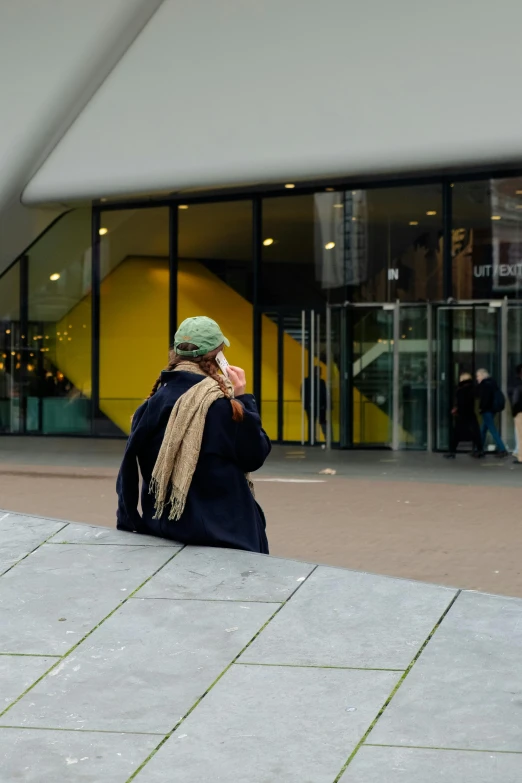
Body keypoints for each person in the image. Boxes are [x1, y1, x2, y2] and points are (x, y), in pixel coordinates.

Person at [116, 316, 270, 553]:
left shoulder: (150, 405)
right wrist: (243, 399)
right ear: (219, 356)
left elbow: (126, 472)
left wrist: (131, 522)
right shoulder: (223, 408)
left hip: (165, 530)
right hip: (227, 538)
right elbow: (255, 455)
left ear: (175, 353)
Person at [444, 372, 483, 458]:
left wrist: (456, 410)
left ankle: (452, 451)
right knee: (475, 433)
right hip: (471, 413)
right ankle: (480, 450)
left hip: (462, 415)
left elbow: (461, 403)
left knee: (456, 434)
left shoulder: (461, 390)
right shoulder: (473, 389)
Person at [476, 368, 507, 457]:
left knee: (492, 430)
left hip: (487, 410)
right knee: (483, 429)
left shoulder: (485, 384)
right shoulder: (492, 383)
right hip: (492, 410)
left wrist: (481, 408)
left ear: (482, 375)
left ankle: (502, 449)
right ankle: (479, 449)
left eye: (478, 376)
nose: (477, 378)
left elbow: (485, 399)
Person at [301, 367, 327, 440]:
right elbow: (324, 394)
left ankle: (312, 438)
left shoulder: (307, 381)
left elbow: (303, 394)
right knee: (321, 422)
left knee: (313, 423)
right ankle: (325, 438)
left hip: (312, 406)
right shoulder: (320, 382)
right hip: (319, 406)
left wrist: (305, 405)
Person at [509, 363, 522, 464]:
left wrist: (514, 412)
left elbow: (516, 401)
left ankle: (521, 457)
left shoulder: (518, 385)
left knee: (520, 435)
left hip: (520, 412)